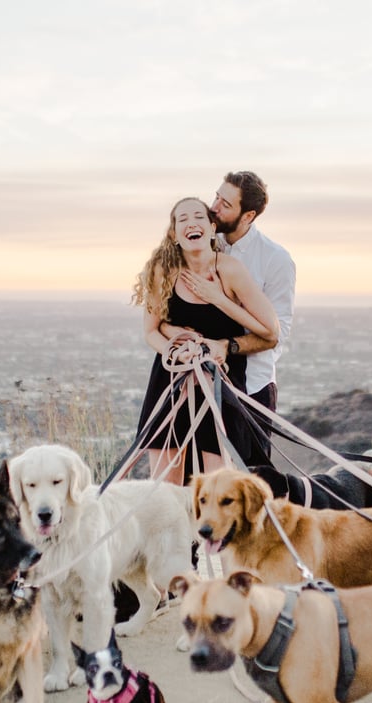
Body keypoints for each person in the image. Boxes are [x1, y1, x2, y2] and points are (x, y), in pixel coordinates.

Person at [133, 197, 279, 485]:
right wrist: (174, 350)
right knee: (166, 486)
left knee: (216, 485)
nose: (191, 223)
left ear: (212, 228)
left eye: (199, 217)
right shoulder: (162, 271)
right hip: (172, 380)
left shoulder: (230, 269)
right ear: (174, 234)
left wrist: (219, 299)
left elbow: (270, 331)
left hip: (219, 383)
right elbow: (151, 331)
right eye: (182, 219)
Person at [209, 170, 296, 466]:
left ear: (248, 216)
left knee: (251, 478)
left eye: (225, 204)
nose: (215, 207)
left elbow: (278, 332)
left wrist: (229, 346)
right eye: (216, 197)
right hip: (201, 382)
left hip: (252, 386)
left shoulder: (275, 259)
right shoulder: (202, 245)